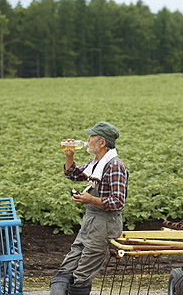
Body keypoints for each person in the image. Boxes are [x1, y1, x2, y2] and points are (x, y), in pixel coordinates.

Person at [50, 121, 128, 295]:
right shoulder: (95, 162)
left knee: (82, 274)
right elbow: (74, 175)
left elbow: (118, 202)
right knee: (66, 268)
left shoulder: (115, 166)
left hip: (105, 224)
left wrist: (91, 199)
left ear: (102, 143)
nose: (87, 140)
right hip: (90, 221)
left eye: (91, 136)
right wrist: (69, 156)